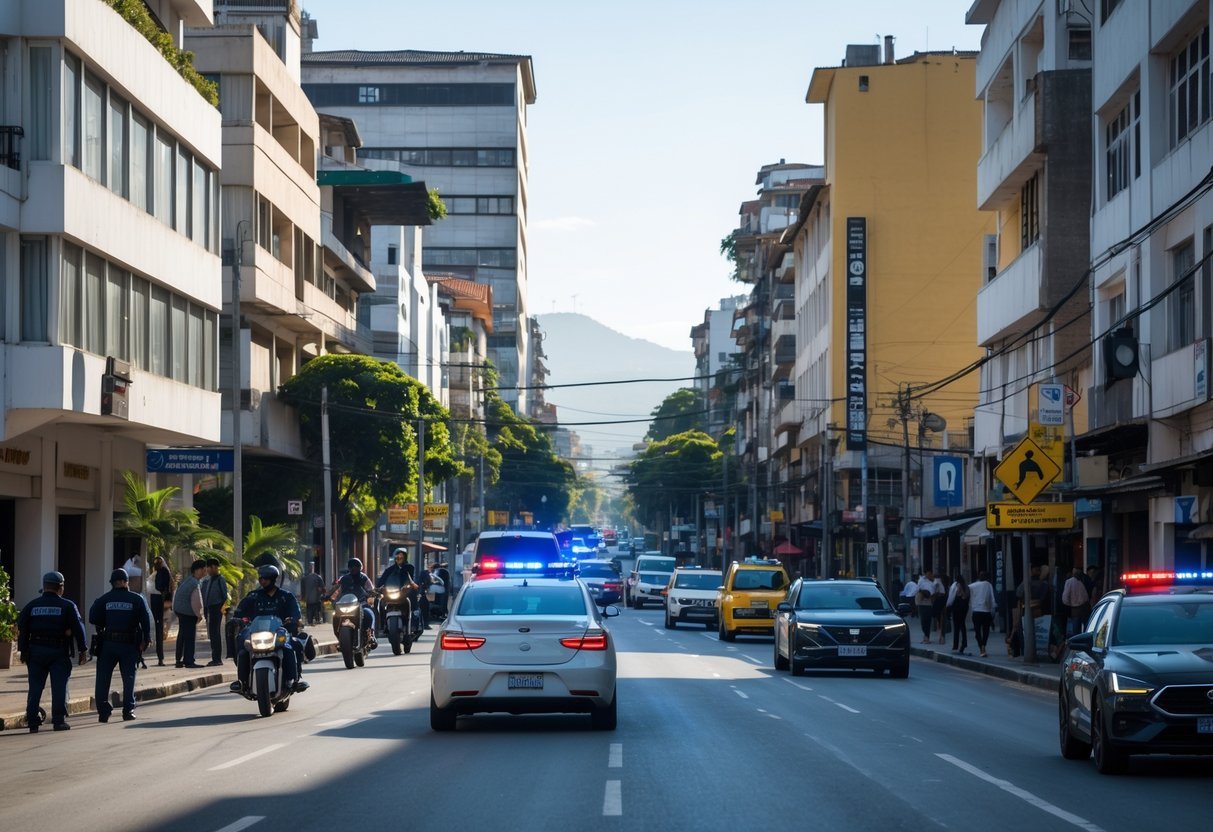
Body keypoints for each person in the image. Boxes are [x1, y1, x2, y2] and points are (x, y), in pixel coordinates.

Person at [17, 571, 89, 732]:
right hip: (58, 651)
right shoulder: (68, 606)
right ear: (61, 587)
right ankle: (58, 721)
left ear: (44, 587)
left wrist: (23, 651)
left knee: (35, 687)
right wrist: (83, 649)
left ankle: (32, 721)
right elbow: (79, 628)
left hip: (35, 651)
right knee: (59, 686)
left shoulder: (32, 605)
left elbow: (22, 628)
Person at [228, 565, 308, 695]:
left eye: (265, 579)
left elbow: (296, 614)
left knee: (291, 646)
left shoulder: (286, 596)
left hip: (279, 632)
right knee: (242, 648)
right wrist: (237, 619)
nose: (262, 581)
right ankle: (242, 682)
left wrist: (293, 619)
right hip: (255, 633)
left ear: (273, 579)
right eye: (260, 579)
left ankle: (294, 680)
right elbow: (240, 611)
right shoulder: (253, 596)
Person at [89, 568, 152, 723]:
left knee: (103, 678)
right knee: (129, 677)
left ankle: (103, 711)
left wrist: (107, 622)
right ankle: (128, 710)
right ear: (126, 582)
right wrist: (146, 639)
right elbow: (145, 620)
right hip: (128, 645)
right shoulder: (136, 599)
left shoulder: (104, 599)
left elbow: (93, 617)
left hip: (108, 644)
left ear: (112, 583)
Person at [330, 557, 377, 639]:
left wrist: (371, 593)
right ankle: (339, 636)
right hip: (346, 605)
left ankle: (370, 633)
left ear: (360, 567)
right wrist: (327, 595)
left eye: (356, 566)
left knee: (369, 613)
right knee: (335, 616)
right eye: (351, 566)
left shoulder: (363, 578)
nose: (354, 568)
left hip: (361, 604)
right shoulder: (344, 578)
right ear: (349, 568)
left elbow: (370, 588)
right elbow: (335, 588)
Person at [172, 559, 206, 668]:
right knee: (189, 637)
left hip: (180, 611)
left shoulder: (188, 580)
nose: (205, 572)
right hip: (187, 612)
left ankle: (179, 659)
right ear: (198, 570)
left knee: (182, 635)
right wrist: (199, 615)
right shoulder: (194, 583)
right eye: (203, 570)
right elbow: (196, 602)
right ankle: (189, 661)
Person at [377, 549, 418, 633]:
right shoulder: (389, 570)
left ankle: (412, 624)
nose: (399, 558)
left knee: (412, 600)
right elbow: (381, 581)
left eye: (401, 557)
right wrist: (378, 588)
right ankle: (383, 625)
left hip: (404, 592)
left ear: (405, 558)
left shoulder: (409, 567)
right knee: (380, 602)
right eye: (397, 556)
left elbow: (411, 579)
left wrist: (410, 585)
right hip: (392, 592)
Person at [200, 557, 228, 666]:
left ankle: (217, 659)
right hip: (209, 608)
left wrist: (221, 609)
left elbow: (224, 596)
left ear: (214, 567)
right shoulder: (209, 580)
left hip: (217, 608)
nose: (207, 570)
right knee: (212, 634)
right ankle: (214, 657)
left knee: (215, 633)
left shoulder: (220, 579)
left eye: (209, 568)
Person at [148, 555, 173, 666]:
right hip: (156, 605)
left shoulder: (163, 572)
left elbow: (164, 589)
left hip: (160, 605)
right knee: (158, 632)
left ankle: (160, 658)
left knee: (159, 631)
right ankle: (160, 658)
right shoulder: (157, 573)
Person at [968, 571, 997, 657]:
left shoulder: (972, 586)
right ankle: (983, 645)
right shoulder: (988, 585)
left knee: (977, 631)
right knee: (986, 631)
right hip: (986, 611)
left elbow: (966, 589)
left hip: (976, 611)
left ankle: (981, 647)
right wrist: (993, 610)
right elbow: (992, 599)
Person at [1061, 566, 1090, 637]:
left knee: (1076, 630)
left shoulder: (1069, 582)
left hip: (1076, 609)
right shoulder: (1082, 581)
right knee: (1086, 627)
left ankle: (1077, 644)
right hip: (1085, 607)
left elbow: (1065, 599)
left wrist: (1071, 604)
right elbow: (1086, 596)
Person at [945, 574, 970, 655]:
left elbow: (951, 598)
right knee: (962, 625)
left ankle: (955, 645)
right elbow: (966, 597)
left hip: (957, 607)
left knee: (956, 626)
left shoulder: (955, 585)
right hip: (964, 607)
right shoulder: (966, 586)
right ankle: (964, 642)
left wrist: (948, 606)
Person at [914, 571, 940, 643]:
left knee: (927, 621)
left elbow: (935, 592)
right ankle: (925, 636)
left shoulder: (934, 583)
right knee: (923, 621)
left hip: (929, 603)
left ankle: (927, 637)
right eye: (927, 573)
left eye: (930, 574)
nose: (929, 575)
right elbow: (917, 589)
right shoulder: (921, 581)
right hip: (922, 603)